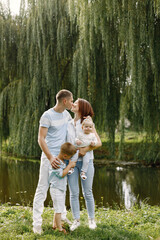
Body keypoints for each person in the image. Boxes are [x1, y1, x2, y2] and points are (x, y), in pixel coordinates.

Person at [32, 89, 74, 234]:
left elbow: (71, 131)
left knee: (61, 188)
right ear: (64, 101)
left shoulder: (67, 114)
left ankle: (60, 218)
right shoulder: (47, 115)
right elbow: (41, 139)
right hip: (48, 157)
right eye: (71, 100)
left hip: (62, 158)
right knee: (42, 188)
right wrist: (50, 157)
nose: (72, 102)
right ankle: (36, 224)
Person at [66, 98, 102, 231]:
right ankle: (76, 220)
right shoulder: (68, 123)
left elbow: (98, 143)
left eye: (76, 103)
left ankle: (91, 220)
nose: (73, 104)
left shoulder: (88, 123)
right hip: (72, 162)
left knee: (88, 192)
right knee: (73, 192)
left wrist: (85, 150)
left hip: (87, 162)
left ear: (82, 108)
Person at [49, 142, 78, 233]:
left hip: (60, 188)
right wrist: (69, 166)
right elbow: (61, 174)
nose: (69, 159)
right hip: (56, 189)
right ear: (65, 155)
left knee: (58, 208)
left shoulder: (61, 161)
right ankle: (59, 229)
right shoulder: (56, 162)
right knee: (59, 210)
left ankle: (55, 224)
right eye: (69, 157)